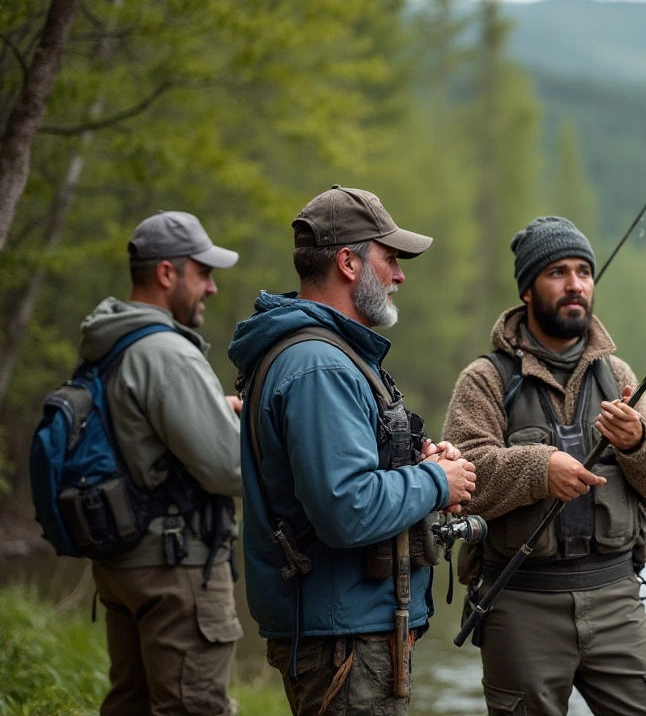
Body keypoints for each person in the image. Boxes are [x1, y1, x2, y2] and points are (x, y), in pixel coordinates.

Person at [227, 186, 477, 715]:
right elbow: (348, 507)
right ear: (347, 262)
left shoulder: (323, 356)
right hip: (344, 638)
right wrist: (436, 482)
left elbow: (348, 479)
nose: (400, 276)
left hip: (346, 629)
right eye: (389, 260)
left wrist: (421, 467)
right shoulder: (320, 366)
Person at [443, 216, 646, 716]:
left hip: (617, 599)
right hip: (520, 601)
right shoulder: (486, 379)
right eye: (558, 272)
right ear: (528, 290)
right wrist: (539, 469)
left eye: (583, 271)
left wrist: (638, 442)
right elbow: (459, 478)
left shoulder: (616, 374)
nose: (575, 284)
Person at [82, 211, 244, 716]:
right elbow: (230, 468)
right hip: (176, 567)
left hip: (123, 561)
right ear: (167, 274)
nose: (212, 288)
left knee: (129, 703)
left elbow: (135, 435)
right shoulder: (168, 352)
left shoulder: (108, 342)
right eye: (203, 273)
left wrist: (208, 413)